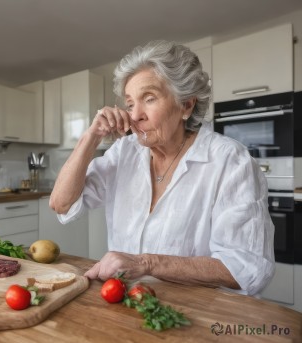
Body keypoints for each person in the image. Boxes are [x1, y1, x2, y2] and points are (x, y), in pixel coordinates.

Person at [49, 40, 275, 295]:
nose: (135, 116)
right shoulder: (124, 152)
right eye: (130, 103)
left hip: (199, 315)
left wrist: (146, 264)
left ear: (186, 105)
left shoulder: (229, 160)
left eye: (149, 98)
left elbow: (248, 268)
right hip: (127, 302)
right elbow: (62, 204)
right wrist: (91, 136)